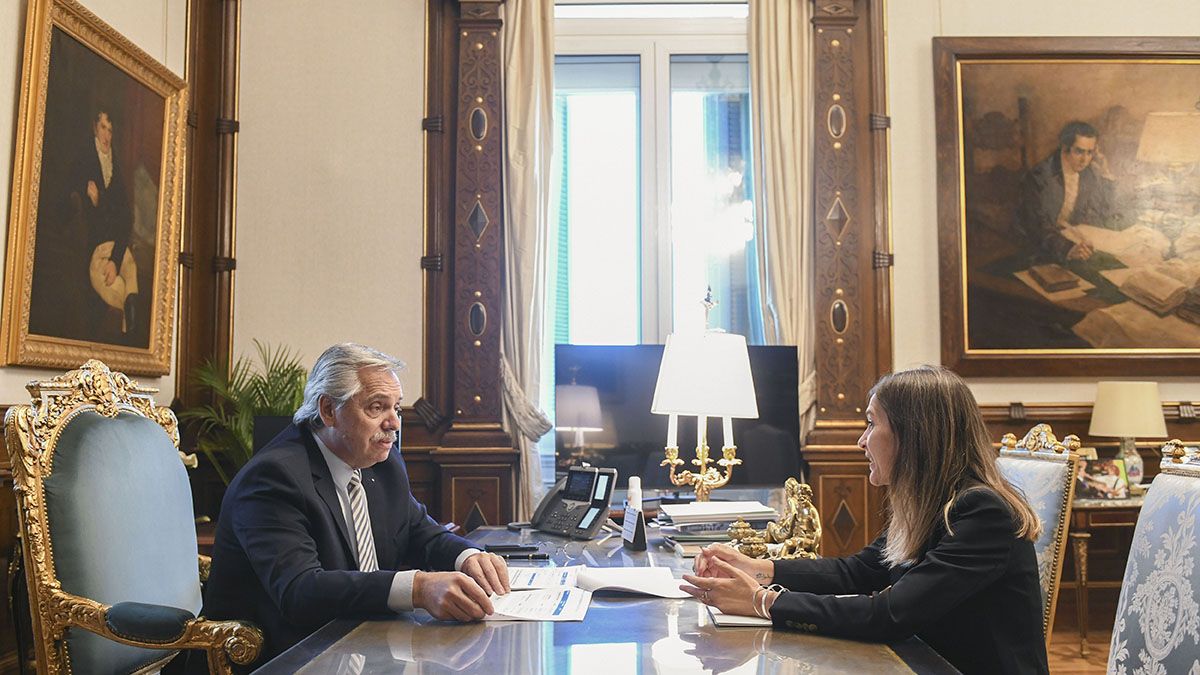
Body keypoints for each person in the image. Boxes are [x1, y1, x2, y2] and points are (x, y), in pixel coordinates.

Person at [680, 365, 1049, 674]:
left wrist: (762, 601)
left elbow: (889, 615)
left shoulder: (983, 512)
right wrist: (760, 568)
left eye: (872, 424)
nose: (861, 441)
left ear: (914, 435)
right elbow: (858, 571)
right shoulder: (931, 501)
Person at [203, 343, 511, 667]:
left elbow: (418, 530)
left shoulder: (382, 461)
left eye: (397, 408)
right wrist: (418, 588)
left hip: (367, 647)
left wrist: (468, 557)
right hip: (288, 657)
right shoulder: (274, 477)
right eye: (377, 408)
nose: (394, 423)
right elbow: (300, 590)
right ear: (328, 411)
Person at [1015, 120, 1123, 264]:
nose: (1085, 159)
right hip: (1039, 248)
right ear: (1065, 147)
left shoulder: (1090, 172)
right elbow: (1038, 226)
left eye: (1090, 152)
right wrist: (1068, 249)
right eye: (1079, 151)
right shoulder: (1040, 176)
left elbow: (1104, 212)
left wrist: (1105, 173)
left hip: (1074, 242)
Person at [76, 110, 140, 338]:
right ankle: (129, 338)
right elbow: (94, 219)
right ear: (95, 128)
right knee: (120, 289)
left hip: (117, 247)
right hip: (95, 249)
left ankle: (131, 337)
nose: (107, 135)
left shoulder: (116, 170)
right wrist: (102, 206)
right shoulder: (85, 161)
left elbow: (125, 219)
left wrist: (100, 201)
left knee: (130, 269)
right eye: (103, 128)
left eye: (110, 130)